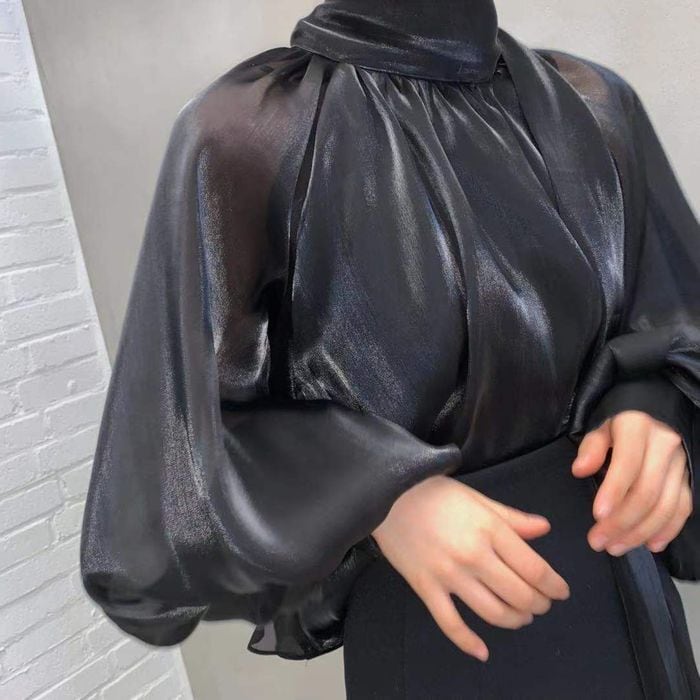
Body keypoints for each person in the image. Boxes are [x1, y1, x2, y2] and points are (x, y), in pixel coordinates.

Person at [79, 0, 700, 697]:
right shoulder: (247, 134)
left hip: (625, 588)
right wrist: (377, 494)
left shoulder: (593, 103)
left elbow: (671, 313)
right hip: (439, 628)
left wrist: (655, 405)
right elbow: (180, 440)